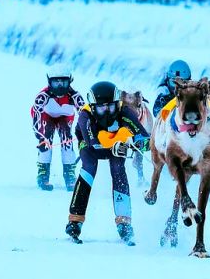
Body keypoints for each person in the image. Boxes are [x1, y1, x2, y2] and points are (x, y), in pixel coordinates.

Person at [65, 81, 150, 245]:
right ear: (93, 106)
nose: (106, 112)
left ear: (117, 104)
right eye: (101, 108)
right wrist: (120, 144)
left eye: (110, 107)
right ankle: (75, 219)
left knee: (118, 169)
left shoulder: (123, 110)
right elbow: (92, 141)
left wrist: (135, 142)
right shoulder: (86, 115)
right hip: (90, 145)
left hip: (116, 146)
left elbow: (144, 137)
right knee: (89, 168)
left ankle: (124, 221)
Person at [31, 66, 85, 191]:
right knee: (46, 140)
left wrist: (86, 133)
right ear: (49, 82)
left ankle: (69, 176)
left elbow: (84, 114)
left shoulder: (74, 96)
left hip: (65, 117)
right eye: (56, 82)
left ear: (69, 81)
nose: (60, 86)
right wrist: (40, 137)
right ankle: (43, 174)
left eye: (63, 82)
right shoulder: (43, 96)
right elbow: (36, 116)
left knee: (67, 139)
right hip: (46, 116)